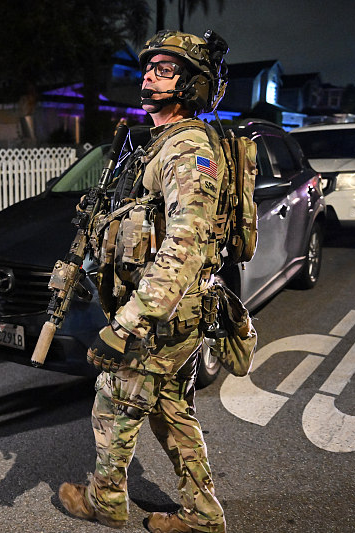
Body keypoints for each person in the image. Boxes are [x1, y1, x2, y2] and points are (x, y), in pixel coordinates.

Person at [58, 30, 232, 533]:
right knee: (172, 410)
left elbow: (186, 243)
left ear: (193, 84)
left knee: (114, 398)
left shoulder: (189, 150)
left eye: (165, 70)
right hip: (174, 313)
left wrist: (130, 322)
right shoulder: (158, 143)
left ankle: (105, 501)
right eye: (148, 69)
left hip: (162, 315)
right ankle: (203, 516)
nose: (149, 77)